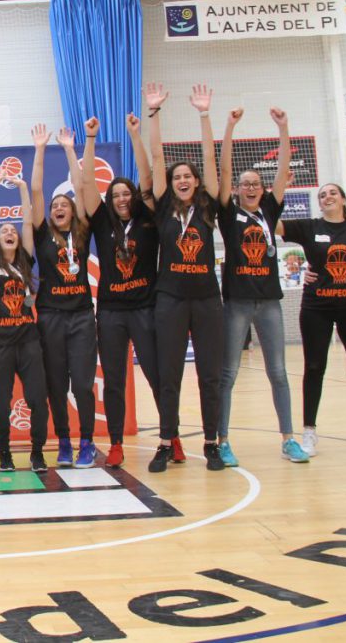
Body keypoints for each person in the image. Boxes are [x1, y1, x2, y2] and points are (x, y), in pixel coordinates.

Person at [216, 107, 308, 465]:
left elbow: (284, 168)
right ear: (237, 190)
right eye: (245, 184)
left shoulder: (269, 210)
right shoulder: (228, 213)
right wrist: (229, 126)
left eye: (256, 183)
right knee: (229, 373)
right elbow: (224, 169)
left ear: (263, 189)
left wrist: (284, 128)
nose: (251, 188)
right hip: (237, 302)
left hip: (269, 302)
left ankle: (288, 438)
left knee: (279, 373)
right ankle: (223, 440)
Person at [145, 82, 225, 473]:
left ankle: (212, 442)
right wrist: (154, 113)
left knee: (210, 374)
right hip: (171, 298)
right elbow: (158, 157)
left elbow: (210, 158)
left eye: (187, 176)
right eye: (177, 177)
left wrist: (204, 114)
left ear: (196, 182)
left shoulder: (209, 206)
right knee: (169, 374)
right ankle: (166, 441)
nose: (181, 180)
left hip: (208, 299)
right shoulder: (163, 209)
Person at [81, 114, 162, 469]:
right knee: (114, 379)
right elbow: (85, 185)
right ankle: (115, 443)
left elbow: (148, 180)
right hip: (111, 312)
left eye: (126, 193)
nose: (122, 198)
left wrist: (134, 134)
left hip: (145, 308)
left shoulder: (147, 218)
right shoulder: (102, 223)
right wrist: (90, 139)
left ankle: (169, 436)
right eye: (115, 194)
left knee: (158, 375)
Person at [276, 184, 346, 457]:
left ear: (343, 198)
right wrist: (276, 191)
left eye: (332, 193)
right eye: (322, 195)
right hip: (316, 307)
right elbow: (272, 224)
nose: (327, 197)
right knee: (315, 366)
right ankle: (309, 431)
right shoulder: (309, 226)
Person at [29, 124, 99, 469]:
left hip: (83, 317)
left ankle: (87, 440)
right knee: (56, 385)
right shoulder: (42, 234)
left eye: (64, 204)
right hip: (50, 317)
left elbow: (82, 185)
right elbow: (37, 188)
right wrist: (41, 149)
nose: (58, 207)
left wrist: (71, 149)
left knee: (83, 384)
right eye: (54, 205)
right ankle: (65, 442)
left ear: (72, 212)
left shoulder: (83, 232)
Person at [0, 164, 49, 472]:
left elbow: (28, 222)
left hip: (28, 342)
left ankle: (37, 452)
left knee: (37, 399)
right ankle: (5, 452)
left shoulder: (25, 259)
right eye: (3, 232)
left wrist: (23, 188)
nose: (9, 232)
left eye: (12, 232)